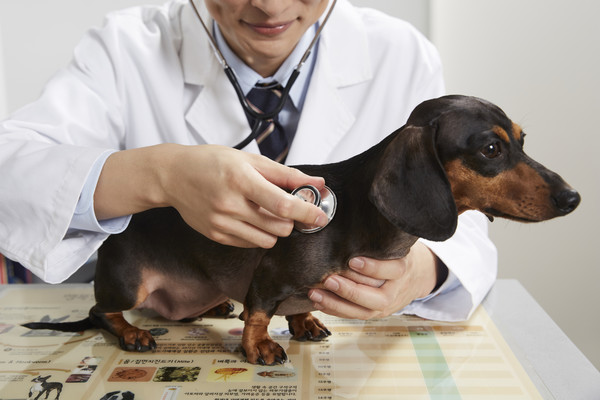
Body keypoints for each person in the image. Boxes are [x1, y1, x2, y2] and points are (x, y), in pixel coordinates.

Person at [0, 0, 496, 322]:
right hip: (177, 318)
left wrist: (419, 274)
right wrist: (160, 175)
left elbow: (460, 215)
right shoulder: (125, 47)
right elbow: (11, 170)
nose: (269, 5)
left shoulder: (401, 54)